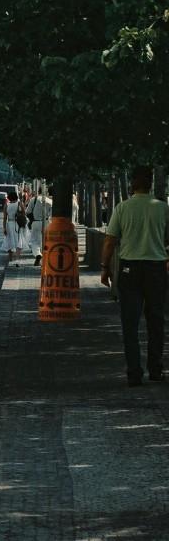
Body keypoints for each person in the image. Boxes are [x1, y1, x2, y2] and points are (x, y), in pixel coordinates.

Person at [100, 165, 169, 387]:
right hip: (157, 267)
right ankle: (156, 369)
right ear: (150, 183)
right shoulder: (162, 208)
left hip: (130, 268)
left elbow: (110, 240)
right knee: (156, 320)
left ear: (132, 183)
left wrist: (105, 268)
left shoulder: (122, 208)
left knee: (130, 323)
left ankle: (134, 372)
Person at [26, 187, 53, 266]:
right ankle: (46, 257)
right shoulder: (50, 201)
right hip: (47, 222)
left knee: (35, 241)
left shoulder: (33, 199)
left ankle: (38, 254)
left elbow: (28, 211)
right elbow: (52, 214)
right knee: (46, 240)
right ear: (46, 192)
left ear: (39, 191)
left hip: (36, 222)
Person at [2, 189, 29, 265]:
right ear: (16, 197)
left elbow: (4, 218)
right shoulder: (19, 203)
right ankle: (17, 260)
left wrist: (4, 228)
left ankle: (10, 259)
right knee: (18, 241)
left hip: (9, 224)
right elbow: (24, 213)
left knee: (9, 240)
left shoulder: (6, 205)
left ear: (9, 198)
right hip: (17, 224)